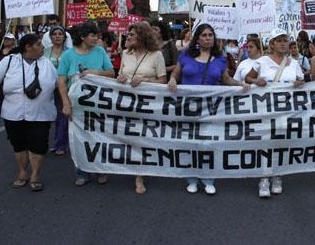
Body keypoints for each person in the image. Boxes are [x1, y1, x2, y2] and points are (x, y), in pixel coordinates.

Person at [168, 23, 249, 195]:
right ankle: (191, 178)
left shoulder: (220, 59)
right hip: (188, 108)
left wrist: (241, 84)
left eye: (210, 35)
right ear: (197, 38)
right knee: (190, 144)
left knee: (207, 144)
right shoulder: (185, 56)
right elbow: (176, 73)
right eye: (204, 35)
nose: (207, 38)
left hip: (211, 109)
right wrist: (173, 80)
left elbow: (226, 80)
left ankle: (208, 179)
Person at [0, 34, 57, 191]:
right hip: (13, 113)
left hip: (41, 114)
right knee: (19, 145)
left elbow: (59, 84)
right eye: (39, 44)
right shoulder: (9, 61)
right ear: (28, 47)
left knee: (38, 146)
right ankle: (22, 173)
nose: (43, 47)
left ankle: (35, 176)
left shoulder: (47, 64)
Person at [245, 28, 305, 198]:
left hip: (287, 110)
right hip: (266, 110)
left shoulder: (294, 63)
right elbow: (248, 78)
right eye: (279, 40)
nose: (283, 43)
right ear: (271, 44)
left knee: (282, 143)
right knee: (266, 143)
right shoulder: (262, 61)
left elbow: (303, 81)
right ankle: (264, 178)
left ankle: (277, 176)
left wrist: (299, 82)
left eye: (285, 40)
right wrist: (257, 80)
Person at [57, 22, 115, 186]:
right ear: (82, 37)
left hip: (98, 103)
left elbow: (111, 73)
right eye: (92, 35)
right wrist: (65, 103)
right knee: (79, 139)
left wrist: (96, 72)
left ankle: (100, 169)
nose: (96, 38)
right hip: (77, 106)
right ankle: (82, 171)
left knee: (99, 137)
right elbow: (61, 81)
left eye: (97, 35)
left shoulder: (100, 51)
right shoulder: (68, 55)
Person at [117, 22, 167, 194]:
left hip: (147, 104)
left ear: (143, 35)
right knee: (130, 138)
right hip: (127, 104)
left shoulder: (157, 55)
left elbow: (163, 81)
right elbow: (120, 75)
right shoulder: (125, 53)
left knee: (141, 139)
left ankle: (139, 176)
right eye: (128, 34)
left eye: (132, 34)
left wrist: (146, 81)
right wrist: (121, 77)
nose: (128, 37)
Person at [44, 26, 69, 156]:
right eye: (54, 34)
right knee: (45, 115)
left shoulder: (70, 52)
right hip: (46, 89)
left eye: (60, 34)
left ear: (64, 37)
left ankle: (60, 144)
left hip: (64, 88)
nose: (57, 36)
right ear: (51, 37)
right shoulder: (44, 52)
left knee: (62, 116)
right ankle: (42, 143)